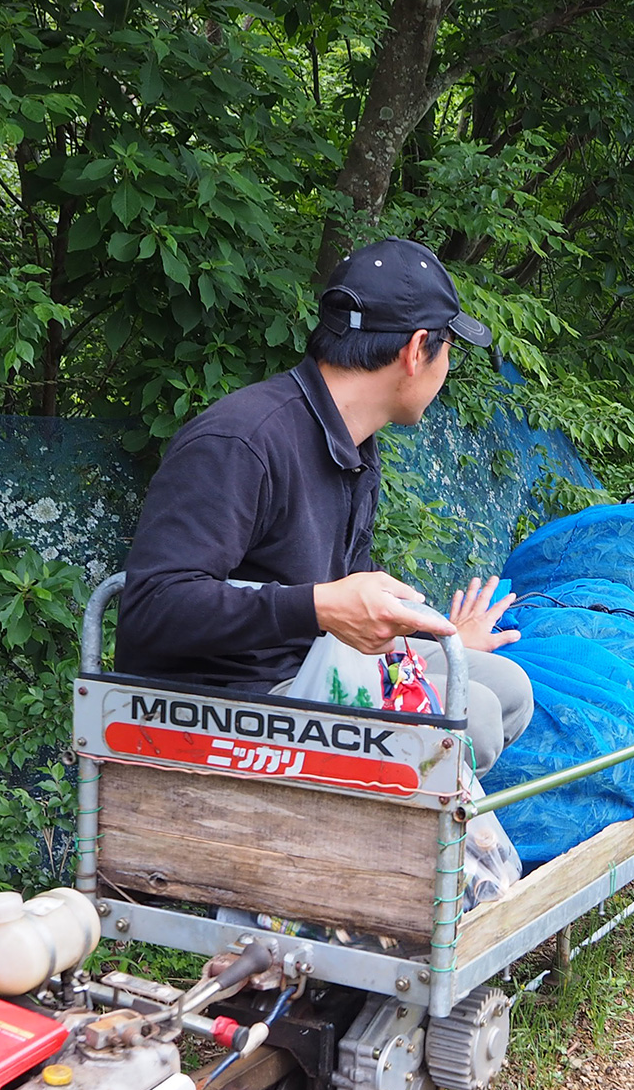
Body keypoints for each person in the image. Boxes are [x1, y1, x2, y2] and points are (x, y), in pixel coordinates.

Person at [115, 237, 533, 774]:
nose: (445, 366)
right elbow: (152, 608)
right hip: (224, 703)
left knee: (508, 687)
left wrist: (431, 635)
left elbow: (349, 588)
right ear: (416, 349)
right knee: (471, 717)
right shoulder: (242, 441)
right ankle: (360, 854)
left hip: (313, 660)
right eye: (448, 348)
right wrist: (316, 607)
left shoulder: (353, 442)